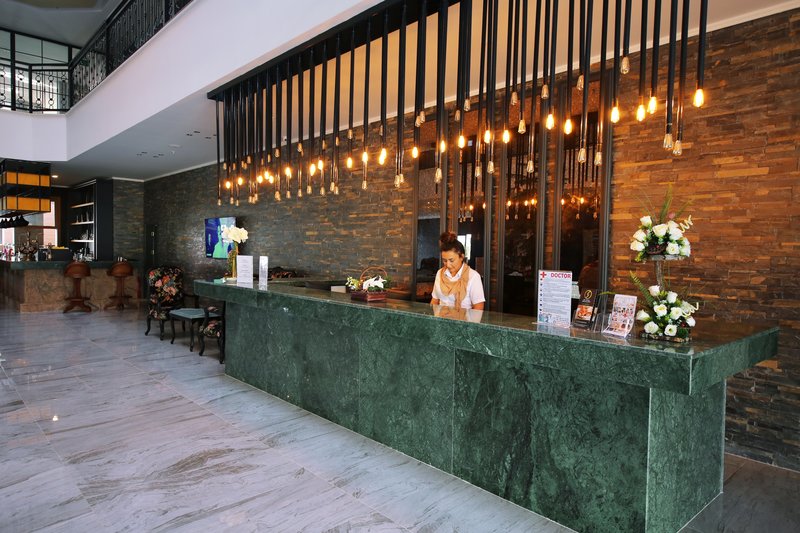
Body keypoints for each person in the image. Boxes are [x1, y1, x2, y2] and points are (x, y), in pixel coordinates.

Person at [431, 231, 485, 310]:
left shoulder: (473, 277)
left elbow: (478, 308)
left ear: (461, 257)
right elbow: (435, 301)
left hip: (464, 318)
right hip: (440, 317)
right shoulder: (440, 273)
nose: (448, 265)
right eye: (445, 260)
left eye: (451, 260)